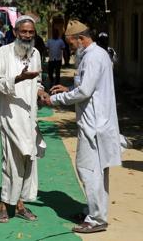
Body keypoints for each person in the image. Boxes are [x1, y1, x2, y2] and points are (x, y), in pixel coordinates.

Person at [45, 20, 122, 233]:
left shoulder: (94, 57)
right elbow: (86, 85)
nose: (70, 48)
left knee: (88, 169)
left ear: (81, 38)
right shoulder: (91, 55)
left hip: (95, 124)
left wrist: (57, 99)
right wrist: (68, 86)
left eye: (71, 43)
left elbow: (84, 92)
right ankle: (94, 210)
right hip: (96, 122)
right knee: (95, 170)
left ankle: (96, 219)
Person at [0, 15, 49, 223]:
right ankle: (3, 204)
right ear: (16, 32)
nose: (27, 35)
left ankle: (19, 204)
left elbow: (38, 82)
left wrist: (41, 92)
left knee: (28, 160)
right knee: (10, 161)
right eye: (24, 31)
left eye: (31, 32)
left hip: (29, 116)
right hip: (10, 115)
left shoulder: (35, 53)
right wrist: (19, 78)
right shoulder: (4, 52)